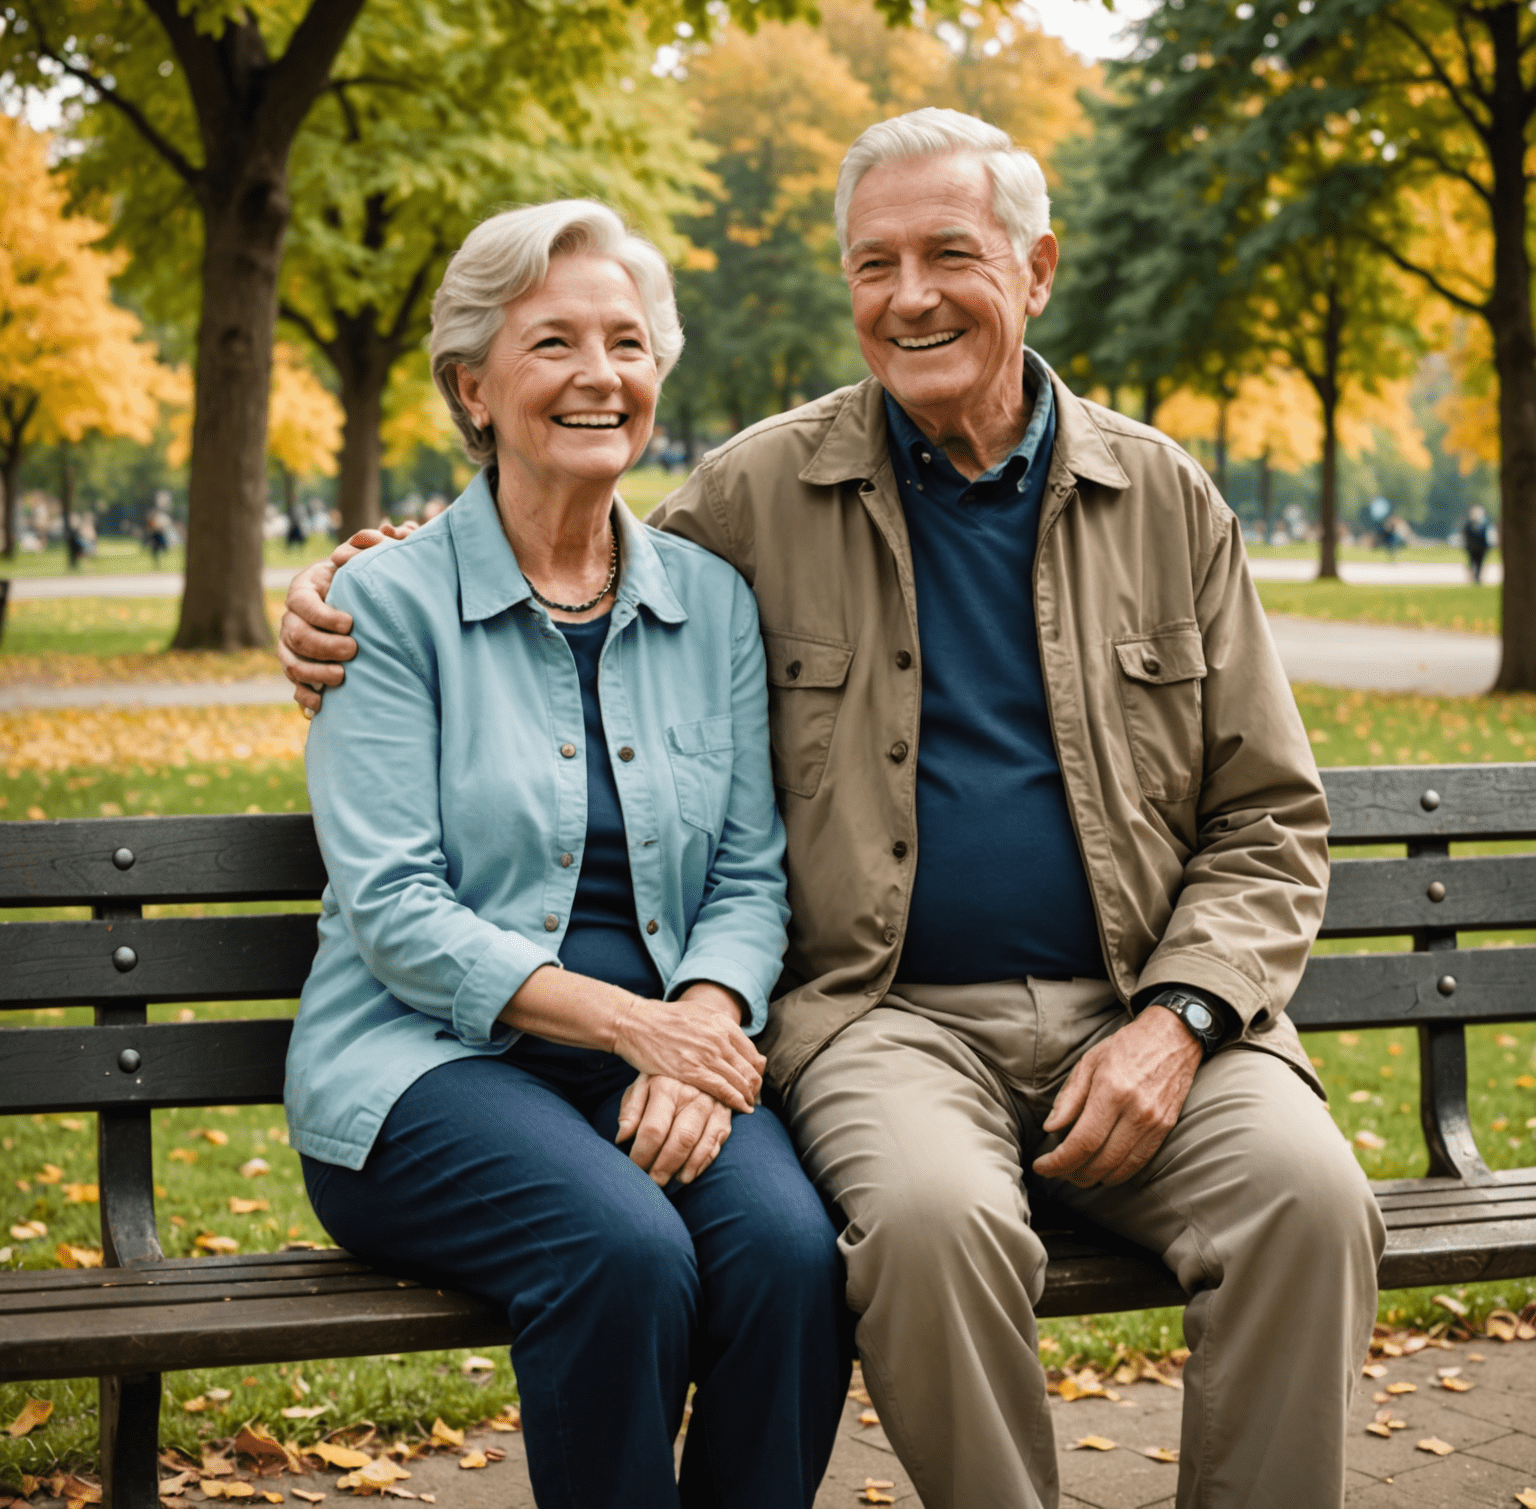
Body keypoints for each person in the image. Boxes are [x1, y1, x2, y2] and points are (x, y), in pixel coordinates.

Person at [281, 112, 1384, 1509]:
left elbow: (1269, 820)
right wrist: (349, 588)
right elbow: (538, 543)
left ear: (1036, 270)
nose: (910, 295)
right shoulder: (756, 496)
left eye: (950, 254)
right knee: (908, 1230)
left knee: (1312, 1201)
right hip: (887, 1021)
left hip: (1143, 1010)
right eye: (875, 263)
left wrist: (1182, 1019)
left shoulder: (1164, 496)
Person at [283, 200, 847, 1509]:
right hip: (420, 1067)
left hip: (657, 1049)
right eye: (556, 344)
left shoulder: (710, 604)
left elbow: (750, 874)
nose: (601, 375)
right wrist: (638, 1030)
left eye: (629, 342)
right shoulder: (386, 602)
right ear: (473, 387)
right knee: (624, 1252)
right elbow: (394, 909)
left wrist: (701, 1026)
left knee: (790, 1254)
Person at [1465, 502, 1491, 583]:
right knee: (1475, 562)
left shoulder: (1482, 524)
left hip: (1478, 547)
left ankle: (1476, 577)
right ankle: (1475, 576)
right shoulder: (1471, 524)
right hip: (1475, 547)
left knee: (1477, 563)